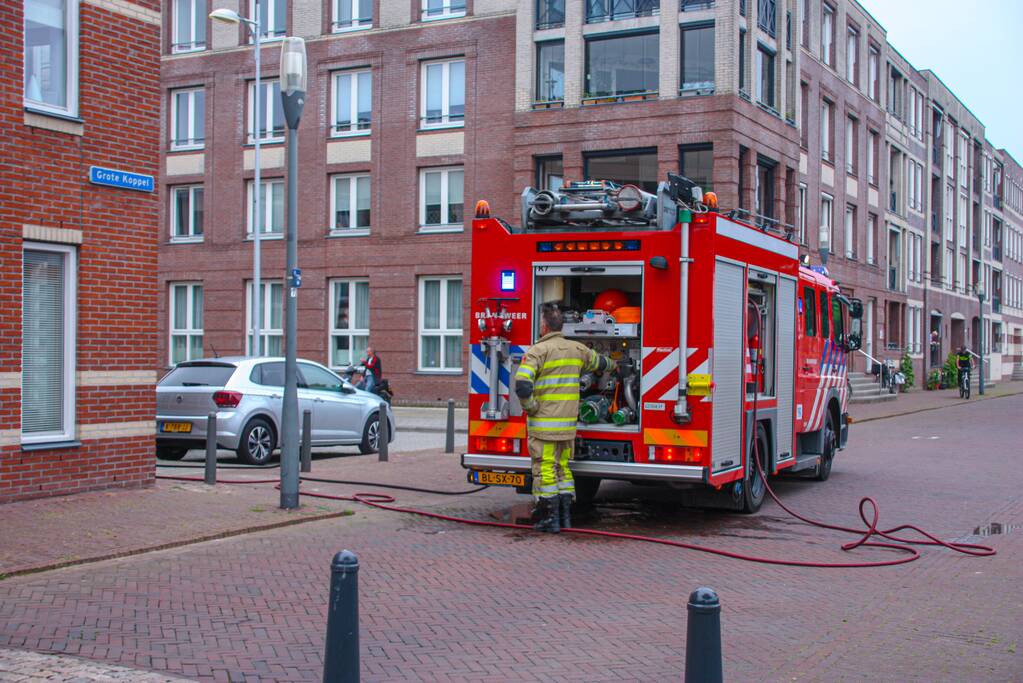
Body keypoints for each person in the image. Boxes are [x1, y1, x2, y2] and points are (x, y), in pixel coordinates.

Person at [514, 303, 614, 534]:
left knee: (545, 469)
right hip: (568, 427)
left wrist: (531, 407)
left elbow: (522, 384)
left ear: (544, 327)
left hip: (544, 427)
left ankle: (549, 519)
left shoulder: (537, 352)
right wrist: (615, 364)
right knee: (563, 469)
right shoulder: (577, 349)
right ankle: (567, 516)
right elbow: (600, 362)